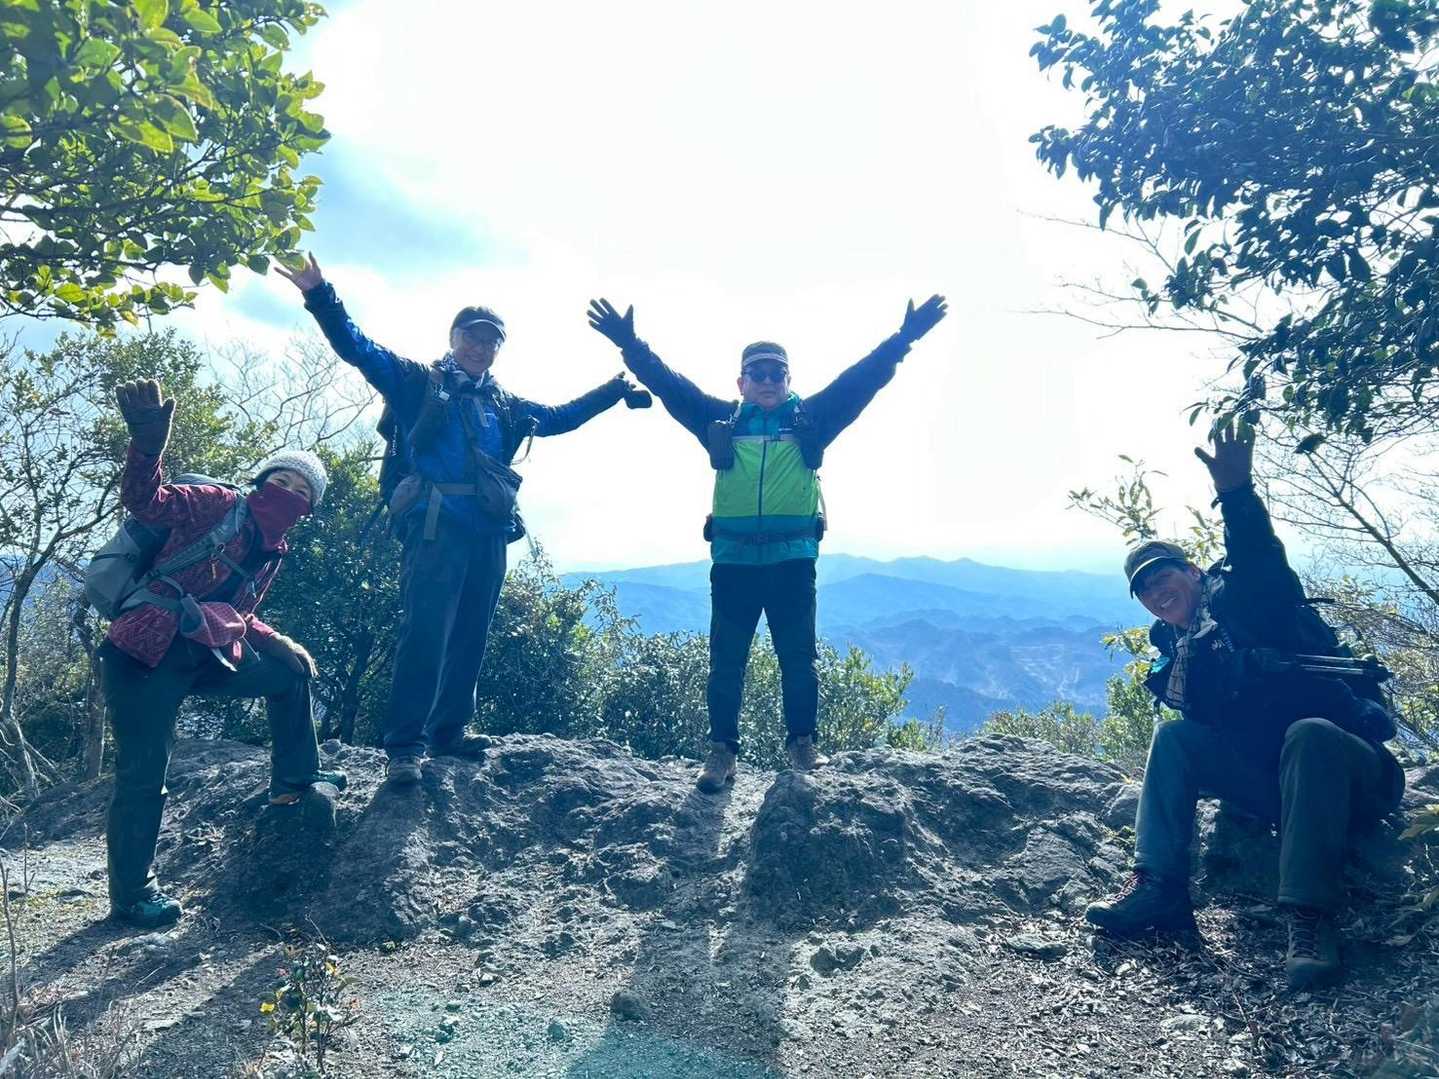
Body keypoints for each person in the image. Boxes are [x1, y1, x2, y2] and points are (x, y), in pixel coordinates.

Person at [278, 255, 649, 784]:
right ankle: (404, 746)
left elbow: (559, 418)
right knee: (425, 632)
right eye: (472, 336)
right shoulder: (416, 382)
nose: (480, 346)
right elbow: (358, 349)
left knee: (472, 631)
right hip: (435, 525)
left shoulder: (504, 402)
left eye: (491, 340)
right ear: (453, 338)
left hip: (489, 529)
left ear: (499, 349)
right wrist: (320, 294)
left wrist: (613, 390)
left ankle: (448, 732)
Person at [1084, 425, 1405, 989]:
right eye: (1144, 588)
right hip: (1277, 788)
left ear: (1194, 572)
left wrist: (1236, 494)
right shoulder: (1181, 651)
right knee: (1174, 738)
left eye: (1164, 575)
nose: (1156, 591)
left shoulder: (1248, 601)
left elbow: (1262, 563)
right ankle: (1159, 887)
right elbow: (1208, 724)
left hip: (1354, 778)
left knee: (1309, 732)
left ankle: (1310, 917)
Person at [586, 294, 947, 791]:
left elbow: (862, 379)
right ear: (741, 382)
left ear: (789, 379)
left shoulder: (812, 419)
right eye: (757, 373)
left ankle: (803, 746)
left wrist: (904, 339)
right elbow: (669, 386)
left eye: (777, 373)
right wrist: (631, 345)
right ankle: (721, 753)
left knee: (798, 660)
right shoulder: (721, 421)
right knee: (726, 663)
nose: (768, 381)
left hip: (791, 561)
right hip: (734, 561)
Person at [100, 379, 343, 929]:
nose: (288, 493)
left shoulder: (272, 550)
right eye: (280, 480)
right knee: (144, 775)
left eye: (301, 491)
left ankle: (296, 779)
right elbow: (147, 501)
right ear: (260, 482)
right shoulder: (218, 505)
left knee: (288, 673)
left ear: (308, 509)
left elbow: (238, 611)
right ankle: (132, 896)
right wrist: (147, 446)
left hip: (202, 653)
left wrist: (277, 641)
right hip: (142, 653)